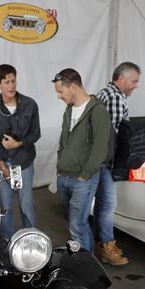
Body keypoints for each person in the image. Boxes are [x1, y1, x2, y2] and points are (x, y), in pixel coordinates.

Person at [52, 68, 111, 253]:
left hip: (83, 179)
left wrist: (85, 175)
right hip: (64, 176)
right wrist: (59, 167)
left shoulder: (98, 112)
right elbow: (63, 141)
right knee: (76, 223)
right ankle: (85, 259)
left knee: (77, 225)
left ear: (74, 86)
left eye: (61, 91)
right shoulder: (69, 111)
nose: (59, 96)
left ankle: (85, 271)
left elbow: (100, 149)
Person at [0, 64, 40, 241]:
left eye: (13, 81)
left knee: (26, 204)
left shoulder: (30, 104)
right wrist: (2, 167)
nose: (11, 85)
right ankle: (7, 241)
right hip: (3, 163)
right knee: (5, 205)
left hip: (24, 162)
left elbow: (36, 134)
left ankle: (30, 239)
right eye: (6, 82)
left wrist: (18, 144)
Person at [94, 62, 141, 265]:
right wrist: (119, 164)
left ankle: (100, 243)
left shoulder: (108, 92)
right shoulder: (114, 97)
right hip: (105, 161)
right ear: (121, 78)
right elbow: (110, 137)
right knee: (107, 205)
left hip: (101, 160)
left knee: (102, 205)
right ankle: (106, 247)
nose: (136, 86)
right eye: (134, 81)